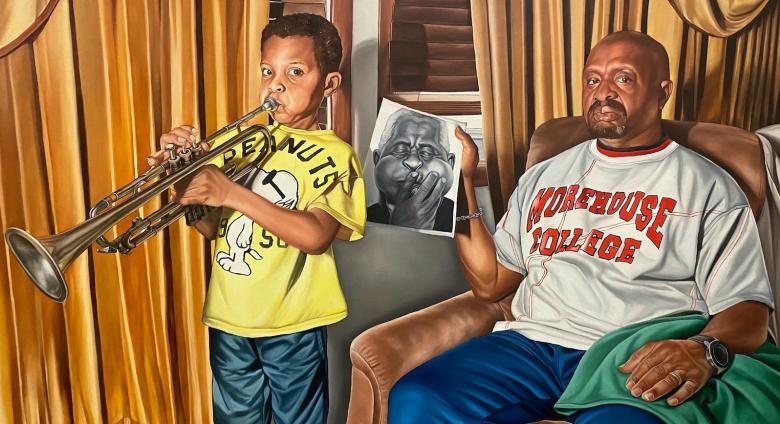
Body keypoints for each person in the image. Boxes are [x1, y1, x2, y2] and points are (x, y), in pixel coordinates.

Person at [388, 31, 775, 423]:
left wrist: (702, 349)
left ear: (662, 92)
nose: (602, 92)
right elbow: (491, 283)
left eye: (623, 79)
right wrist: (463, 183)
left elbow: (748, 310)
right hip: (531, 347)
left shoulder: (708, 186)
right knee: (417, 397)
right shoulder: (544, 175)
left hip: (631, 354)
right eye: (592, 80)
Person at [150, 13, 365, 424]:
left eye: (295, 72)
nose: (276, 84)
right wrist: (181, 182)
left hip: (293, 321)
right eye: (267, 71)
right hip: (229, 314)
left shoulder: (336, 155)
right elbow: (212, 228)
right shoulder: (240, 142)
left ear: (330, 85)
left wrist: (231, 191)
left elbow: (317, 235)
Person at [367, 108, 456, 232]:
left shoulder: (460, 217)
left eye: (427, 152)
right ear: (377, 159)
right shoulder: (365, 219)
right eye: (400, 150)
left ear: (450, 163)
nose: (413, 162)